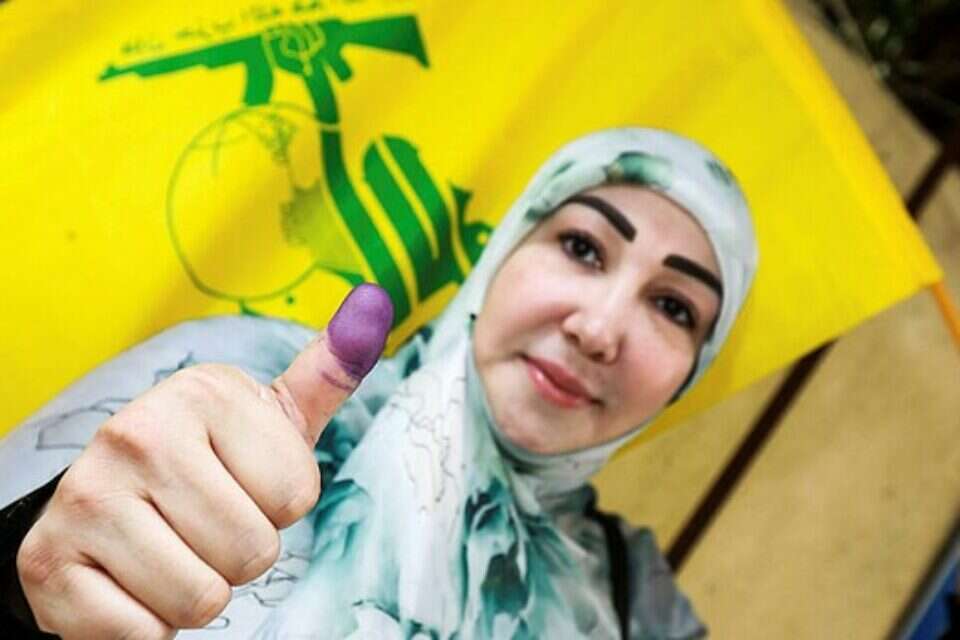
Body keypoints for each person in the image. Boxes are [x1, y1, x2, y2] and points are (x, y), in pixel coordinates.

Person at [0, 127, 758, 638]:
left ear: (689, 373)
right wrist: (28, 579)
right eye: (583, 248)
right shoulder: (233, 383)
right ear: (501, 255)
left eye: (673, 308)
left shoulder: (634, 608)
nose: (598, 329)